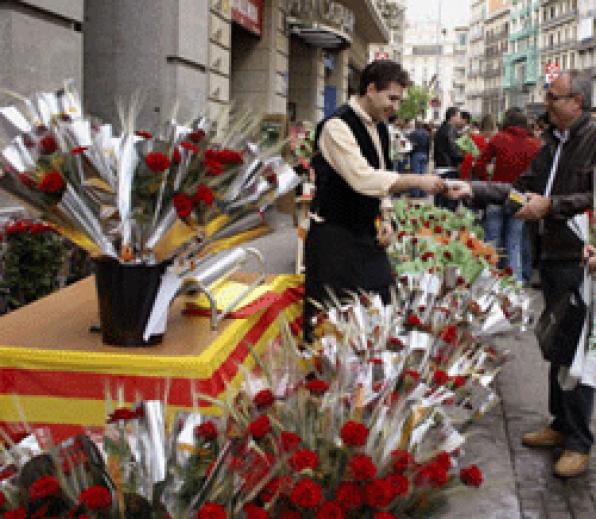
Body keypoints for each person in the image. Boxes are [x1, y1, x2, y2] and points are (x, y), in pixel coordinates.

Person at [446, 69, 595, 477]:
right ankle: (561, 424)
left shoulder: (591, 140)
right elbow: (521, 188)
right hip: (549, 256)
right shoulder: (552, 144)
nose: (546, 102)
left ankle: (580, 440)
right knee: (556, 342)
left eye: (554, 97)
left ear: (576, 103)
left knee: (577, 351)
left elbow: (587, 197)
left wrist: (553, 206)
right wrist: (475, 190)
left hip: (580, 261)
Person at [304, 60, 445, 341]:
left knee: (379, 310)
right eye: (391, 98)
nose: (395, 106)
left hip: (365, 236)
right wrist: (418, 181)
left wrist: (387, 216)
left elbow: (380, 176)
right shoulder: (336, 126)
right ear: (370, 89)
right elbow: (363, 178)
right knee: (331, 326)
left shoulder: (380, 127)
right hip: (334, 239)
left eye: (399, 99)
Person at [473, 108, 542, 282]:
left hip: (496, 194)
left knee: (492, 243)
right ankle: (515, 285)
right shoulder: (534, 144)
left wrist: (486, 181)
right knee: (514, 243)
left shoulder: (499, 138)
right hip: (519, 196)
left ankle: (487, 282)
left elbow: (479, 164)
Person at [433, 107, 465, 209]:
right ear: (452, 116)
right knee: (450, 200)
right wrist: (464, 158)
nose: (460, 119)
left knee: (440, 200)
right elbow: (453, 150)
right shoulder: (450, 129)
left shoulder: (441, 128)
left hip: (440, 167)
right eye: (459, 116)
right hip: (449, 168)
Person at [408, 120, 431, 197]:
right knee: (423, 174)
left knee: (415, 174)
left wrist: (410, 155)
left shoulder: (412, 134)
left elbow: (410, 146)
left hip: (416, 154)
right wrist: (428, 156)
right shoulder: (427, 134)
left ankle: (415, 193)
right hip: (424, 154)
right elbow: (429, 146)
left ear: (415, 125)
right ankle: (423, 193)